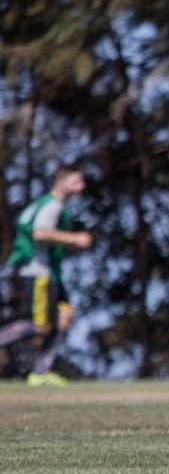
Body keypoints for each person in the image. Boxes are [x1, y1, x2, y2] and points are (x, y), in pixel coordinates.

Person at [0, 164, 93, 386]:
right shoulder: (52, 206)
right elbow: (39, 233)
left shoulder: (46, 203)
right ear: (62, 183)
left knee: (64, 315)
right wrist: (75, 239)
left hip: (50, 272)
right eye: (76, 182)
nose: (81, 187)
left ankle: (41, 372)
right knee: (40, 324)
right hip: (39, 271)